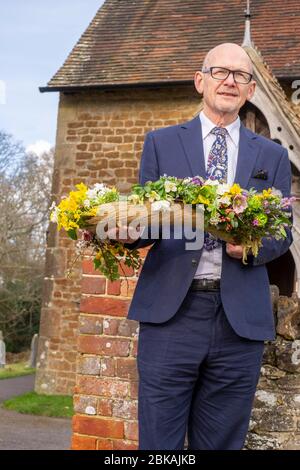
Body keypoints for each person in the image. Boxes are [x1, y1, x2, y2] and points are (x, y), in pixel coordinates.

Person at [110, 43, 293, 450]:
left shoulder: (272, 155)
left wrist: (246, 248)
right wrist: (126, 232)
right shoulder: (161, 143)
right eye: (220, 72)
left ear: (249, 91)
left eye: (241, 76)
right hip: (171, 314)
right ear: (200, 81)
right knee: (160, 442)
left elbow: (282, 234)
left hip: (238, 319)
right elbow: (148, 222)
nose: (230, 81)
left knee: (222, 442)